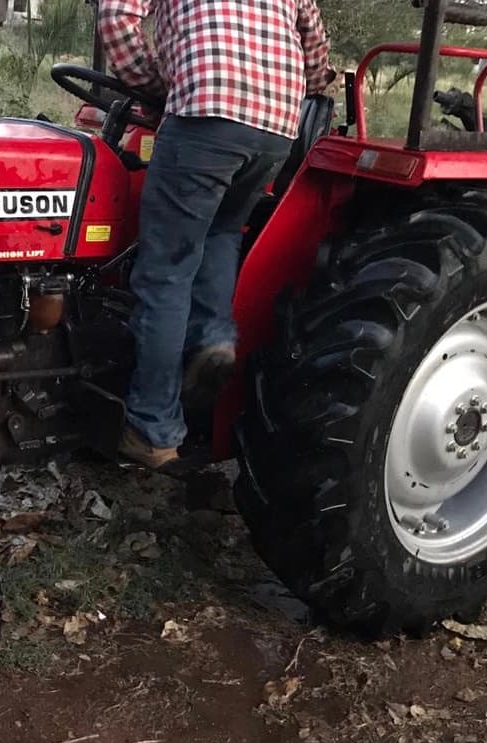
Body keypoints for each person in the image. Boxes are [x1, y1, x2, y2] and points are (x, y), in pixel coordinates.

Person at [98, 0, 335, 469]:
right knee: (222, 231)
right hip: (275, 126)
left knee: (165, 271)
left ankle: (152, 429)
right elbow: (316, 54)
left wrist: (159, 84)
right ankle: (213, 338)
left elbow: (115, 15)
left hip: (206, 112)